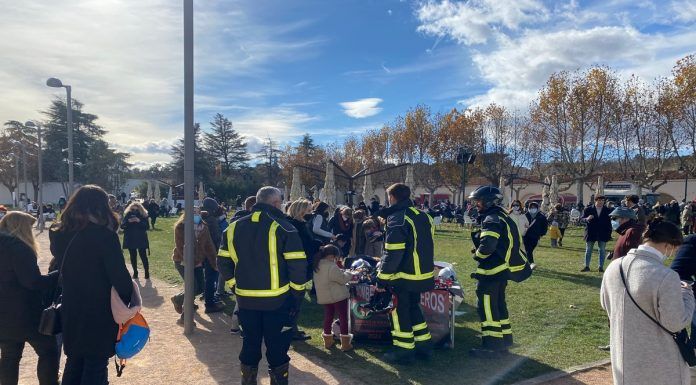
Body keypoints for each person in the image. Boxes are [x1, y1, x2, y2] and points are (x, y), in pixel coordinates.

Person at [217, 187, 308, 385]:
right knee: (277, 352)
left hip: (246, 302)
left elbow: (223, 263)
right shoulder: (285, 228)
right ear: (275, 203)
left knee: (249, 347)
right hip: (279, 303)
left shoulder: (232, 228)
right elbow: (298, 268)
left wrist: (235, 287)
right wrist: (297, 297)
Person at [48, 185, 133, 384]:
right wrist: (127, 302)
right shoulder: (104, 236)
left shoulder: (59, 234)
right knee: (95, 364)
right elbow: (119, 277)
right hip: (99, 308)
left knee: (74, 361)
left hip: (71, 304)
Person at [601, 218, 694, 385]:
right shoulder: (666, 276)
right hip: (660, 361)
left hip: (623, 355)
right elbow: (676, 322)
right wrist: (687, 293)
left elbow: (605, 303)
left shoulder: (613, 267)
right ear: (668, 246)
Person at [376, 183, 434, 365]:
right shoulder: (423, 216)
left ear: (392, 197)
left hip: (403, 275)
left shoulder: (397, 218)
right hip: (422, 274)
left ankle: (404, 350)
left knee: (399, 312)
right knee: (414, 308)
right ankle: (424, 346)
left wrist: (382, 278)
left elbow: (394, 252)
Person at [468, 186, 529, 358]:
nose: (476, 204)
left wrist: (477, 255)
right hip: (502, 271)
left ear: (488, 201)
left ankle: (491, 346)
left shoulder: (491, 219)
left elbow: (487, 247)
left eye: (478, 201)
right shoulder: (502, 216)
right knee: (499, 306)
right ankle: (504, 342)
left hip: (491, 272)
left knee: (487, 308)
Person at [0, 212, 59, 385]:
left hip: (3, 315)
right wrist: (58, 275)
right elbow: (32, 282)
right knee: (48, 351)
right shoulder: (19, 248)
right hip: (26, 313)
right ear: (22, 228)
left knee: (9, 357)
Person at [170, 206, 218, 324]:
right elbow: (181, 247)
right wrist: (192, 262)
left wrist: (214, 262)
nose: (196, 215)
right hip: (182, 261)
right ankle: (185, 318)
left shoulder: (204, 227)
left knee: (200, 287)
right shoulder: (181, 227)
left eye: (198, 213)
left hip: (197, 262)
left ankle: (178, 298)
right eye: (193, 213)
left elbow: (209, 246)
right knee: (192, 286)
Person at [314, 244, 353, 351]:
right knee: (343, 318)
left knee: (328, 317)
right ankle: (345, 344)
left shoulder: (318, 265)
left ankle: (328, 341)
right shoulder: (332, 266)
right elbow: (342, 279)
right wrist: (349, 273)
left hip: (325, 296)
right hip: (338, 296)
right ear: (332, 256)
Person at [201, 196, 225, 313]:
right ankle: (209, 303)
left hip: (202, 252)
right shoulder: (211, 221)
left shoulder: (201, 218)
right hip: (211, 253)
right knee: (211, 278)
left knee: (207, 277)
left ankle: (208, 297)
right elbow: (217, 239)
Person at [581, 195, 612, 272]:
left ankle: (600, 267)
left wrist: (609, 233)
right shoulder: (588, 209)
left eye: (602, 201)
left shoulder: (608, 210)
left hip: (603, 233)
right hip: (591, 232)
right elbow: (581, 219)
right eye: (599, 200)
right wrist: (587, 219)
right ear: (595, 201)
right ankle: (586, 266)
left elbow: (610, 222)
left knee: (602, 250)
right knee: (588, 250)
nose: (601, 202)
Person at [120, 201, 150, 279]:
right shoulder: (128, 215)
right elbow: (122, 226)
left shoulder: (143, 215)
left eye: (136, 210)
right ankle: (135, 272)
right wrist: (128, 222)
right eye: (132, 209)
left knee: (143, 255)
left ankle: (146, 272)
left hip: (141, 238)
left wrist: (139, 221)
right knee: (133, 256)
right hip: (130, 238)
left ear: (140, 209)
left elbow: (147, 227)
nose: (134, 211)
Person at [524, 201, 547, 270]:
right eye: (531, 207)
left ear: (537, 208)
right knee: (529, 250)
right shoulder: (525, 215)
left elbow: (544, 226)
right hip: (525, 236)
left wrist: (542, 233)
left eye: (534, 207)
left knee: (529, 250)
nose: (532, 209)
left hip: (535, 236)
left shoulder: (541, 217)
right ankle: (531, 263)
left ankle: (527, 262)